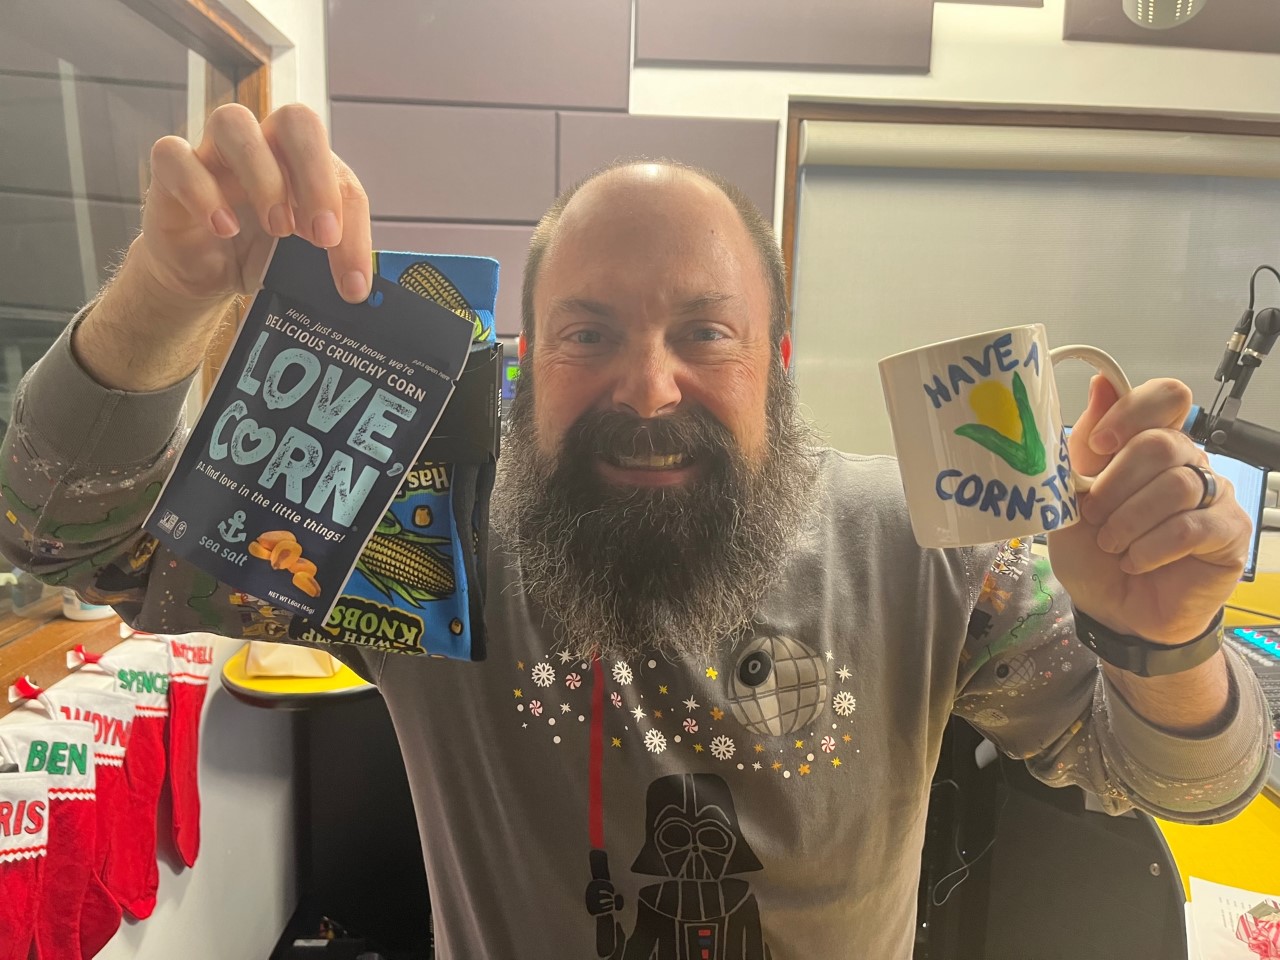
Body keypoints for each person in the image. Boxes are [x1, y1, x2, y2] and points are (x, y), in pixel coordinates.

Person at [0, 103, 1270, 959]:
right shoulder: (426, 542)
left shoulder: (930, 544)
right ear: (522, 363)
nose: (649, 389)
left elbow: (1185, 785)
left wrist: (1163, 640)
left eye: (702, 332)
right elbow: (66, 542)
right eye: (588, 333)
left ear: (773, 362)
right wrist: (164, 292)